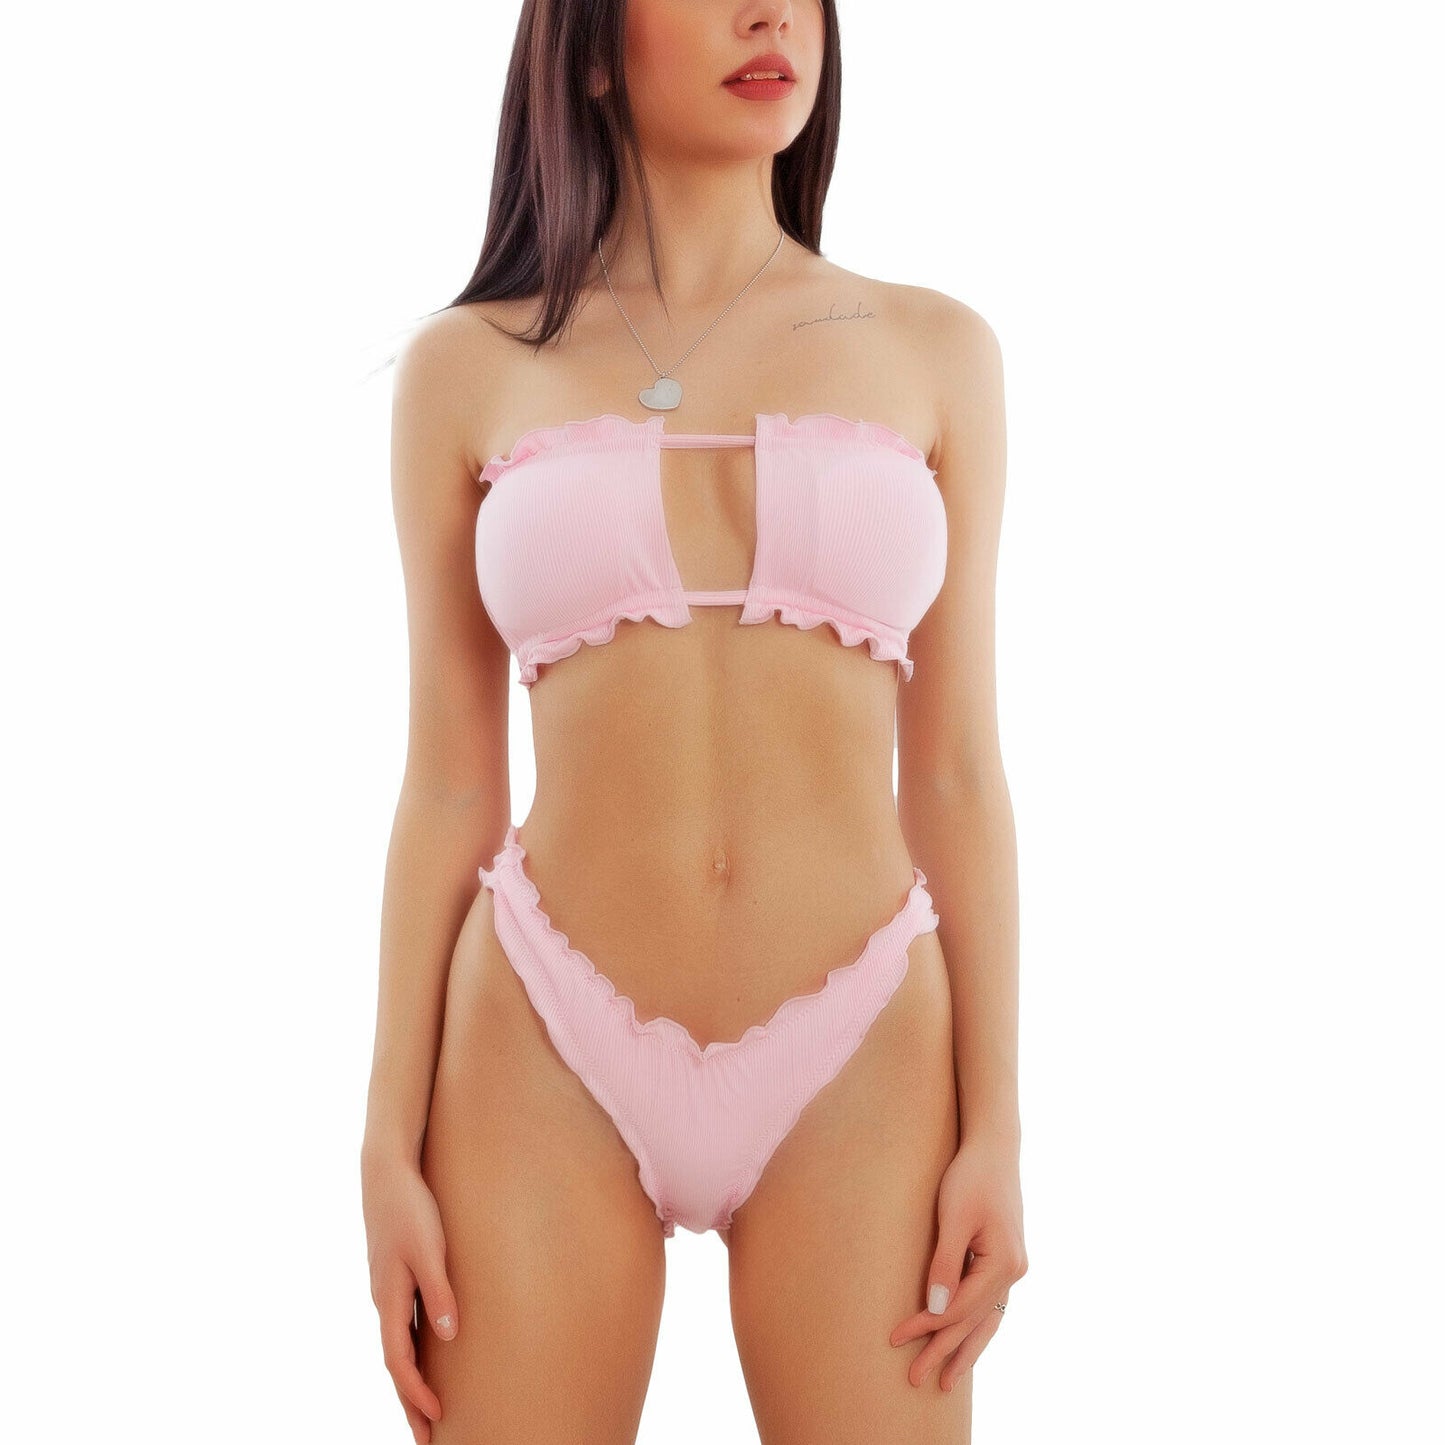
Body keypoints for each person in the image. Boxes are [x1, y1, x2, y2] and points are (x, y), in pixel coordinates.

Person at [360, 2, 1026, 1440]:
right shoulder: (469, 367)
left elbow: (960, 774)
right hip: (537, 1036)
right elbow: (448, 786)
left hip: (864, 1040)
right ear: (594, 47)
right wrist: (382, 1142)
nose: (770, 13)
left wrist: (997, 1124)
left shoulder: (935, 349)